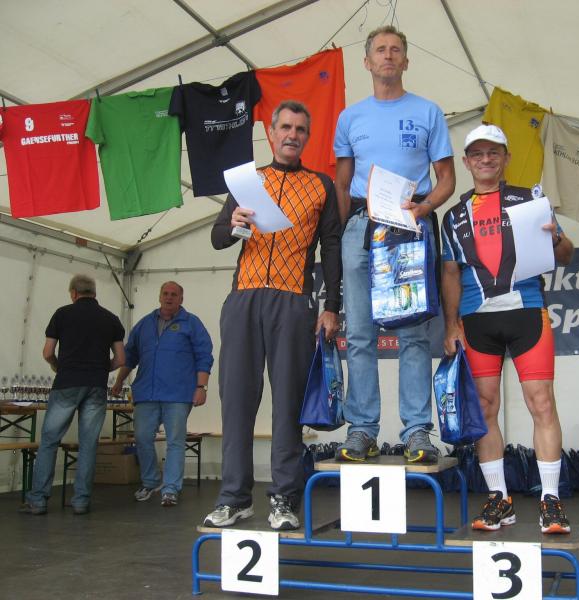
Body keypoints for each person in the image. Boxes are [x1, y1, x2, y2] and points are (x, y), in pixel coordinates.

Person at [203, 100, 341, 530]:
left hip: (293, 301)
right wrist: (234, 223)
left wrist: (332, 306)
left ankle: (283, 498)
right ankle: (234, 497)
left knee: (288, 403)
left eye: (300, 129)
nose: (292, 135)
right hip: (243, 298)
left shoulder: (321, 185)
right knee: (237, 400)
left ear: (307, 137)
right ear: (271, 132)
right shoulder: (249, 181)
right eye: (285, 127)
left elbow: (331, 247)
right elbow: (217, 238)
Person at [440, 124, 574, 534]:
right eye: (477, 154)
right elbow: (450, 273)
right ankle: (499, 498)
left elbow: (566, 254)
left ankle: (550, 500)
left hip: (527, 311)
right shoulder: (453, 216)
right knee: (485, 408)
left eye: (493, 152)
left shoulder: (530, 200)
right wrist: (451, 325)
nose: (486, 159)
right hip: (476, 318)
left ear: (506, 158)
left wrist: (557, 239)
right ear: (466, 163)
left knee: (542, 403)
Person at [333, 25, 455, 463]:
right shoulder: (349, 118)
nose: (388, 55)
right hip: (361, 227)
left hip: (409, 225)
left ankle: (417, 431)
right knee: (359, 334)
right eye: (381, 50)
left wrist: (424, 209)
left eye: (396, 50)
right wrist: (341, 235)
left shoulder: (428, 112)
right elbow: (342, 184)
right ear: (367, 62)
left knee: (413, 334)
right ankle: (362, 430)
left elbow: (447, 180)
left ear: (406, 61)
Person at [19, 274, 125, 515]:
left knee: (49, 441)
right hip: (96, 386)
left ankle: (38, 500)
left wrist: (58, 366)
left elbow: (48, 352)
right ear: (94, 293)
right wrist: (101, 369)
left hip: (66, 383)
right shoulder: (111, 319)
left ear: (74, 293)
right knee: (88, 444)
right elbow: (121, 359)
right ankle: (81, 501)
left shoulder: (62, 314)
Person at [111, 281, 212, 507]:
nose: (169, 297)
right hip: (146, 393)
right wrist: (119, 380)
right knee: (142, 437)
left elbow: (204, 356)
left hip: (178, 394)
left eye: (174, 294)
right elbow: (130, 355)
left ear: (181, 299)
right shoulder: (144, 324)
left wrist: (201, 387)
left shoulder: (192, 324)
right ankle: (150, 482)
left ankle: (171, 488)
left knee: (175, 441)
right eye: (165, 293)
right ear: (159, 296)